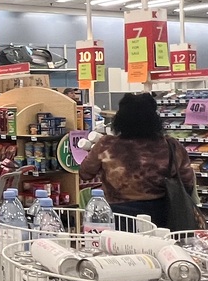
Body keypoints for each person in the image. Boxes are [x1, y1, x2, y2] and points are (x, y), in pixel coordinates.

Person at [79, 92, 196, 229]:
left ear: (120, 118)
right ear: (154, 119)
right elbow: (187, 181)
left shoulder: (106, 145)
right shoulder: (171, 145)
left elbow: (85, 173)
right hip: (161, 215)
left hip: (118, 216)